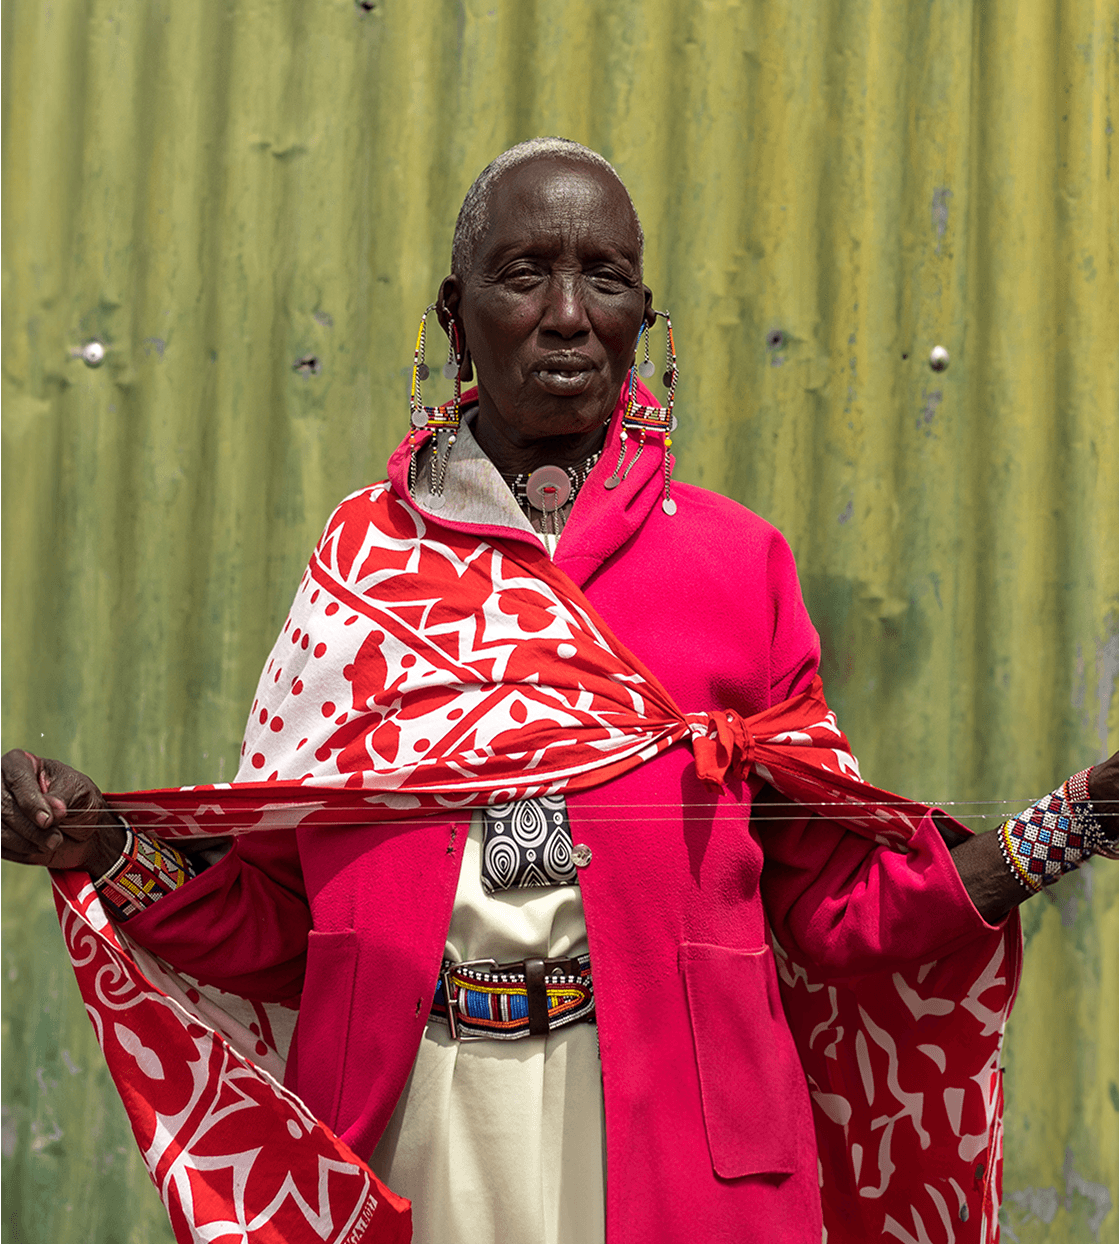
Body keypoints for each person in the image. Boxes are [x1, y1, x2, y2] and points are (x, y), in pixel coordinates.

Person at [3, 137, 1117, 1244]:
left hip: (679, 1136)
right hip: (413, 1123)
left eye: (607, 277)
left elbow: (838, 912)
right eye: (526, 271)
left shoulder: (738, 568)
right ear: (455, 314)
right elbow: (279, 921)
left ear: (646, 314)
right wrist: (100, 843)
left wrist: (1068, 825)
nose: (569, 312)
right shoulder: (365, 568)